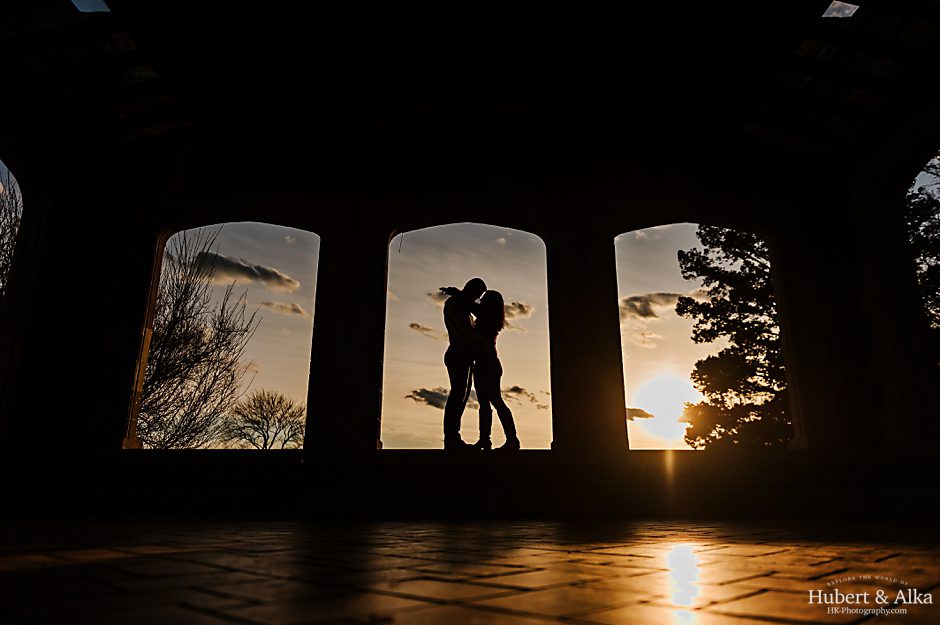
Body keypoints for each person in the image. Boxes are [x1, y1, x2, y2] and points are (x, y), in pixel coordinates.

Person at [441, 277, 487, 450]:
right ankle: (451, 439)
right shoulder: (456, 303)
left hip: (463, 354)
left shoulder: (462, 303)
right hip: (458, 353)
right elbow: (465, 330)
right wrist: (483, 341)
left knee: (460, 396)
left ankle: (453, 437)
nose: (476, 299)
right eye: (477, 294)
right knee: (457, 396)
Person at [470, 290, 520, 451]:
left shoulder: (488, 317)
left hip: (489, 364)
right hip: (484, 364)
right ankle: (485, 440)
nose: (480, 300)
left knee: (495, 401)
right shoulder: (488, 316)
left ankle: (512, 440)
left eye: (484, 299)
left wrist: (458, 294)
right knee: (485, 404)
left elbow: (472, 306)